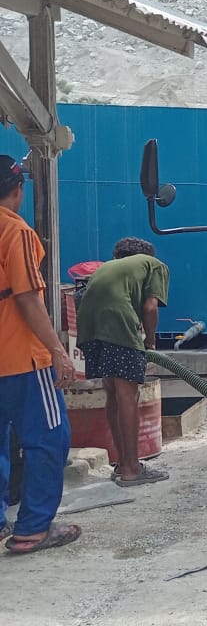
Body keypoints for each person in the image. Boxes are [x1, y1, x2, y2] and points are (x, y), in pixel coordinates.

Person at [0, 154, 82, 553]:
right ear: (17, 191)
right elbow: (27, 297)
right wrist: (57, 352)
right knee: (49, 439)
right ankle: (33, 528)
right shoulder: (14, 231)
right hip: (21, 361)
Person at [77, 237, 170, 487]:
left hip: (89, 325)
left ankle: (121, 464)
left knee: (114, 394)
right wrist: (150, 340)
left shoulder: (109, 267)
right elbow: (150, 307)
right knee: (128, 395)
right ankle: (132, 469)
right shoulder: (154, 264)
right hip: (116, 323)